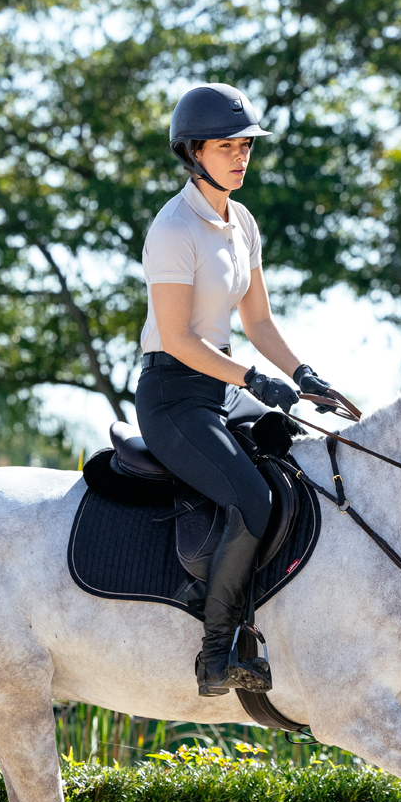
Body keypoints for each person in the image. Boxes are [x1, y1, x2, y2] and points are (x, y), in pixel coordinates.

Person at [135, 83, 331, 697]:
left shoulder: (242, 221)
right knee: (252, 500)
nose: (241, 156)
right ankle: (216, 655)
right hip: (173, 395)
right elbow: (176, 339)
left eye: (245, 145)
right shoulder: (173, 228)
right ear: (193, 151)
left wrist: (302, 374)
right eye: (228, 146)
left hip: (219, 390)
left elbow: (259, 322)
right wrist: (252, 377)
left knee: (299, 460)